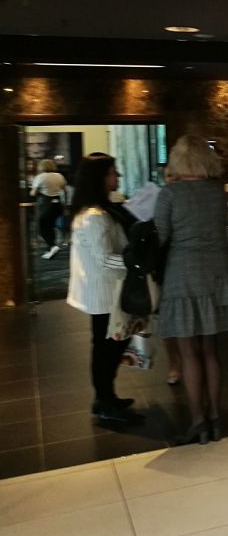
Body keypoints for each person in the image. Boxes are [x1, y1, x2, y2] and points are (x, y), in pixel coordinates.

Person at [154, 135, 228, 445]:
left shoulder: (170, 194)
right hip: (216, 275)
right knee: (210, 350)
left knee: (188, 352)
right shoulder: (217, 192)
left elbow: (160, 236)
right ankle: (216, 417)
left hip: (182, 276)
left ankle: (198, 421)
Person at [66, 153, 141, 424]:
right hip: (105, 292)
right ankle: (105, 401)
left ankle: (106, 398)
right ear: (100, 177)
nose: (117, 176)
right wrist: (135, 263)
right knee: (107, 349)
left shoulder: (94, 211)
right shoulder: (95, 216)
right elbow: (105, 258)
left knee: (107, 347)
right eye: (112, 172)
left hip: (104, 291)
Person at [30, 159, 68, 259]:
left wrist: (34, 191)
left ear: (41, 167)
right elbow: (65, 191)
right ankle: (50, 249)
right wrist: (65, 205)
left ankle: (52, 246)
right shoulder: (59, 176)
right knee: (50, 226)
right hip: (57, 205)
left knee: (42, 227)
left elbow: (33, 193)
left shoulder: (40, 177)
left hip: (45, 205)